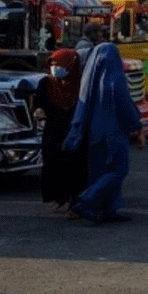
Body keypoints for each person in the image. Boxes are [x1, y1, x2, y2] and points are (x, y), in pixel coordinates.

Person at [63, 43, 146, 224]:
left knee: (99, 171)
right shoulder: (115, 78)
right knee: (118, 169)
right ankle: (87, 200)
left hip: (94, 131)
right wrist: (137, 127)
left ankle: (107, 209)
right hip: (113, 130)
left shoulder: (89, 78)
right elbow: (124, 104)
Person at [32, 49, 88, 214]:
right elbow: (38, 103)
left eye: (60, 65)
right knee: (53, 165)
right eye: (53, 65)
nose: (55, 68)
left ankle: (75, 202)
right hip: (53, 132)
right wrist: (38, 110)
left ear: (71, 66)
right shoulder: (46, 83)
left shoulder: (81, 84)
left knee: (75, 168)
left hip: (75, 132)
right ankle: (60, 196)